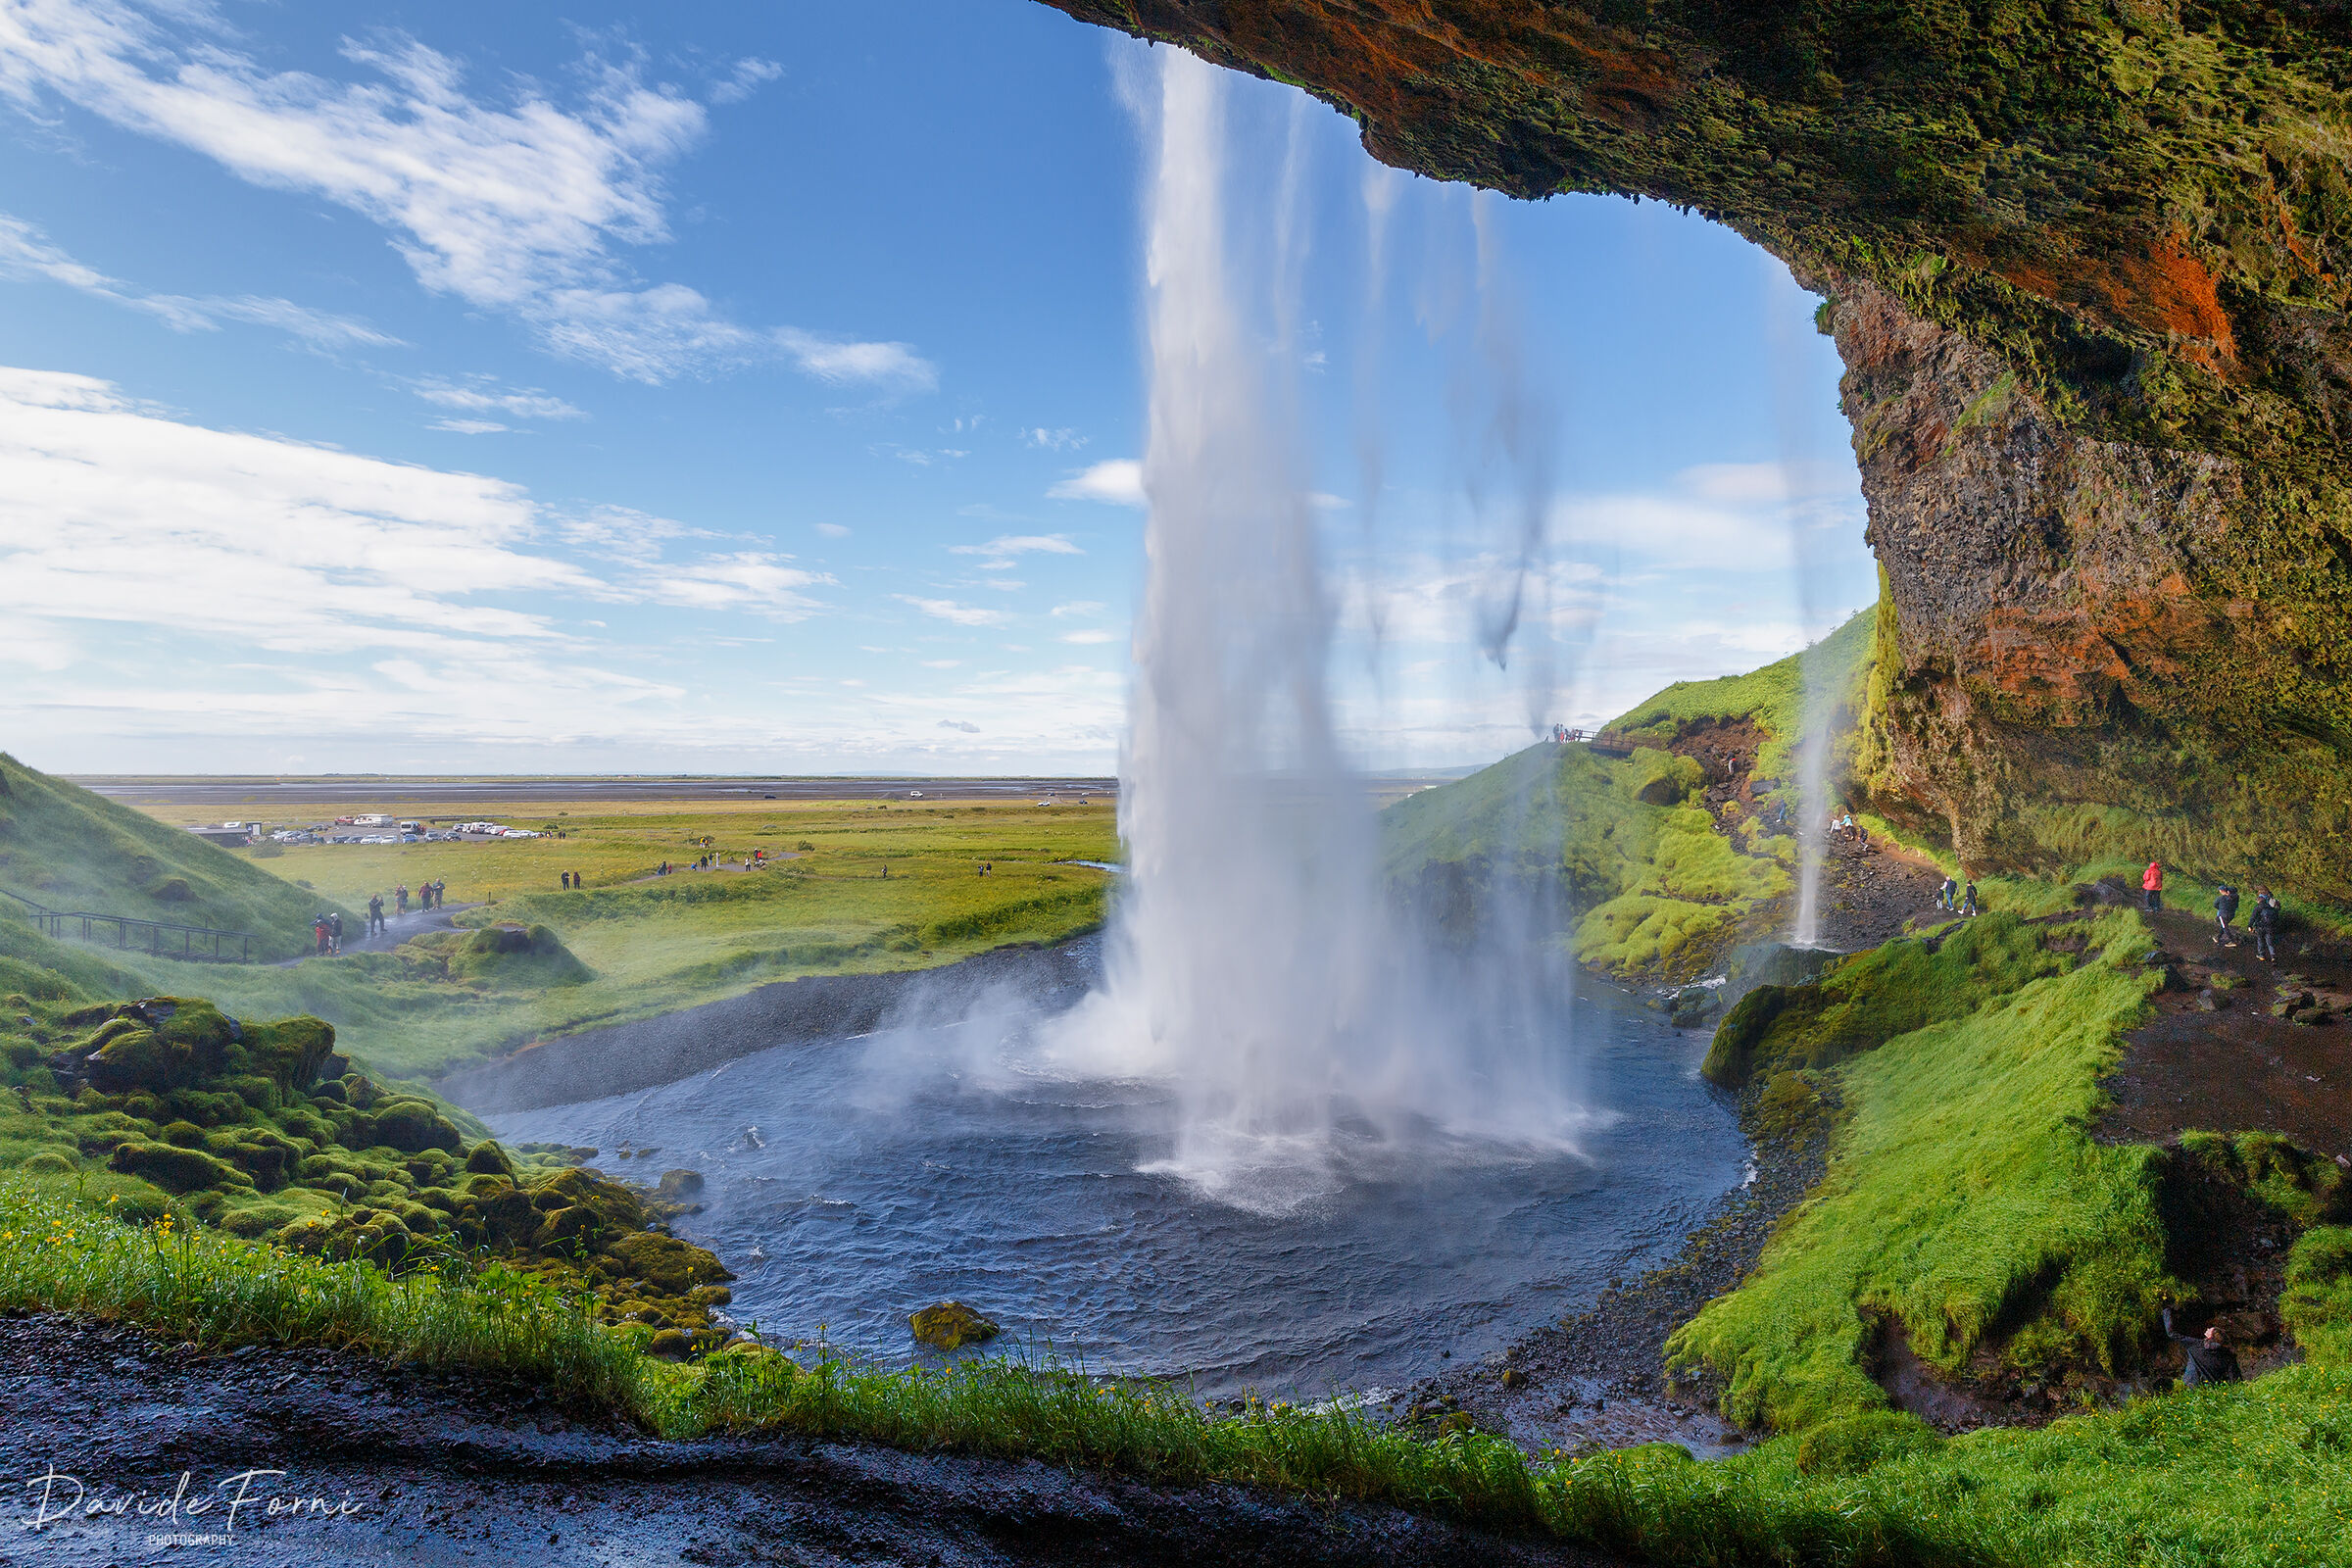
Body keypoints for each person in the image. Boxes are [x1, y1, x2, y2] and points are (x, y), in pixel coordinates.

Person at [2163, 1307, 2242, 1387]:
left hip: (2193, 1387)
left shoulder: (2196, 1345)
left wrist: (2166, 1310)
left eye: (2210, 1329)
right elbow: (2235, 1379)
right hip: (2214, 1391)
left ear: (2210, 1337)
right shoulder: (2228, 1355)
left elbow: (2171, 1333)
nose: (2207, 1329)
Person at [2251, 888, 2280, 962]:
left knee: (2260, 940)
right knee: (2270, 942)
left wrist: (2250, 925)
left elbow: (2253, 917)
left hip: (2260, 926)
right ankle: (2273, 956)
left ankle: (2261, 955)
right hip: (2270, 926)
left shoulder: (2258, 907)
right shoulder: (2272, 905)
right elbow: (2276, 915)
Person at [2213, 882, 2239, 947]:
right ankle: (2218, 937)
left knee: (2225, 927)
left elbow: (2215, 905)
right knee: (2224, 925)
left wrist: (2220, 909)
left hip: (2223, 915)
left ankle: (2232, 941)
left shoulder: (2221, 898)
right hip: (2231, 914)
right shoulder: (2235, 898)